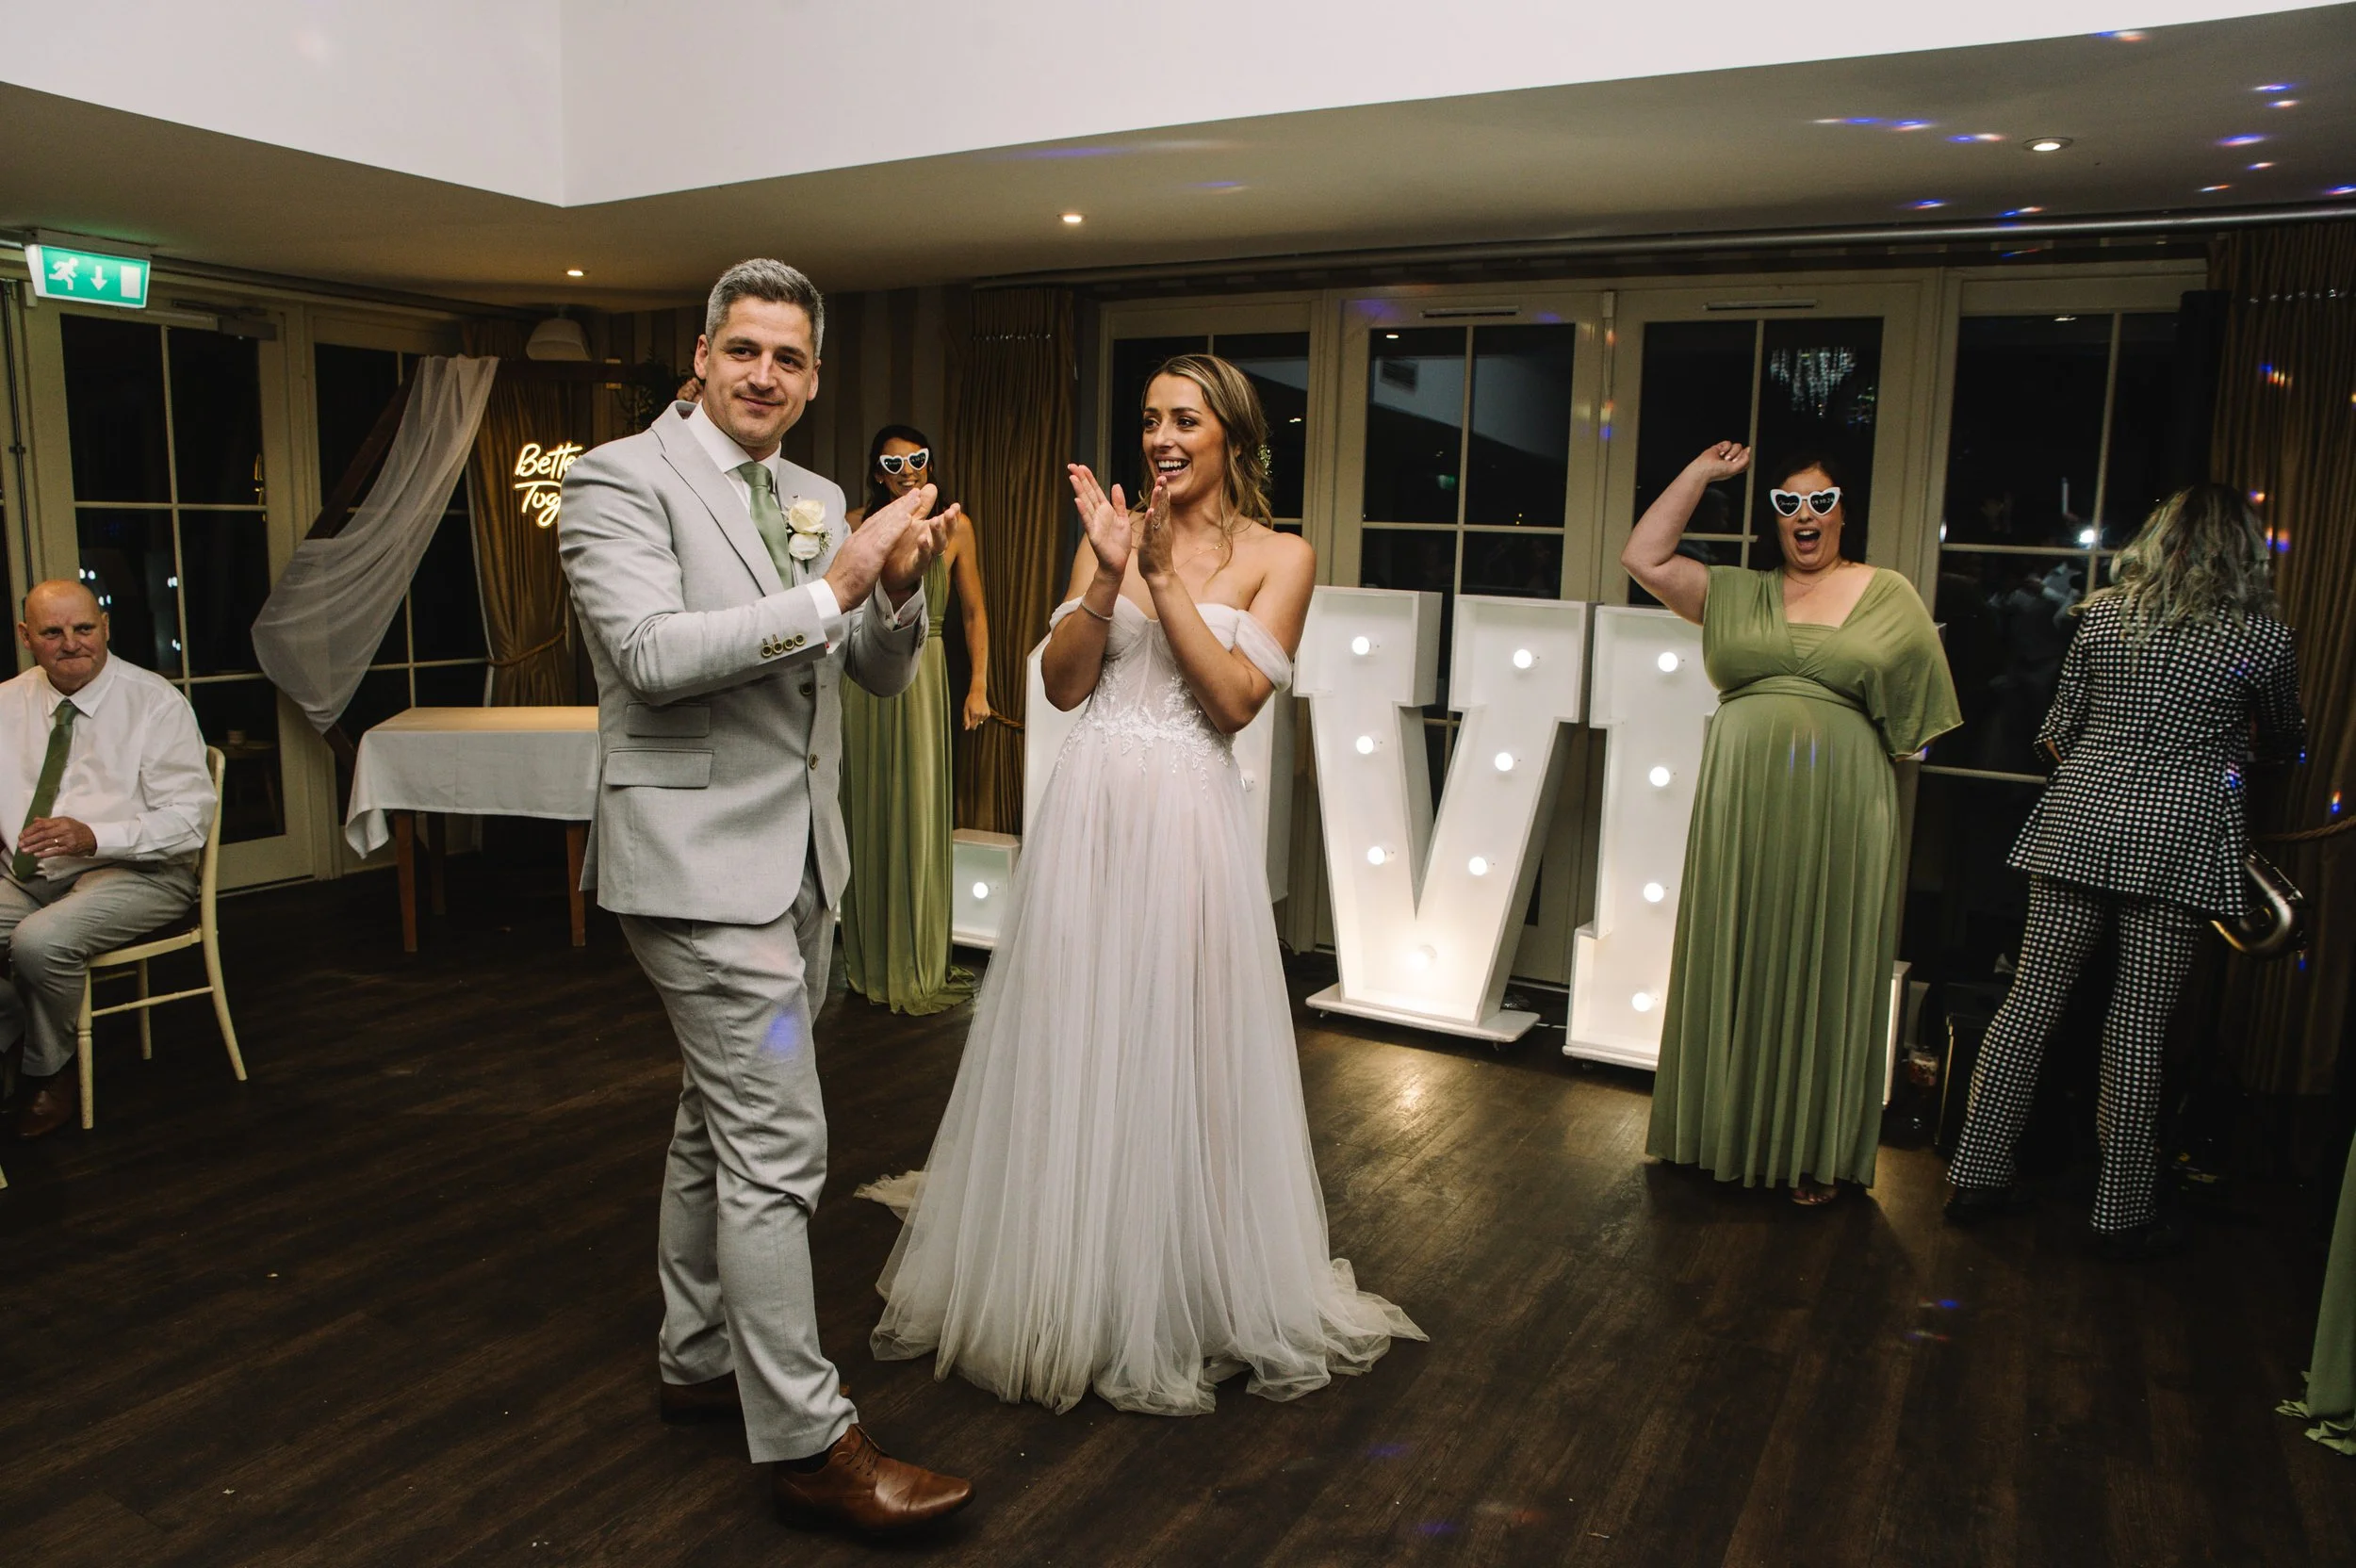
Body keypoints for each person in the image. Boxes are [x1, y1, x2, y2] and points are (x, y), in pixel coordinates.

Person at [864, 354, 1424, 1413]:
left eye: (1186, 420)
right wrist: (1108, 574)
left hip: (1186, 822)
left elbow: (1233, 703)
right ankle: (1061, 1256)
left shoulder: (1282, 557)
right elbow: (1062, 685)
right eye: (1151, 419)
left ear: (1234, 437)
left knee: (1182, 1038)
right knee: (1074, 1025)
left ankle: (1172, 1274)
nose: (1162, 438)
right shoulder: (1106, 535)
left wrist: (1162, 577)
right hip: (1089, 812)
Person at [556, 260, 971, 1536]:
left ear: (814, 376)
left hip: (799, 863)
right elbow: (649, 656)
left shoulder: (819, 497)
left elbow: (876, 675)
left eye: (789, 358)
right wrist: (833, 586)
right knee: (778, 1145)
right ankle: (805, 1440)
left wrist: (894, 590)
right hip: (695, 868)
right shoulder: (618, 479)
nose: (763, 375)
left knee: (717, 1119)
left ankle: (696, 1358)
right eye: (743, 349)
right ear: (701, 355)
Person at [1946, 483, 2304, 1260]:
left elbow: (2055, 734)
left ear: (2159, 538)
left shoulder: (2104, 615)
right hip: (2181, 837)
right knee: (2138, 1026)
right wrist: (2219, 754)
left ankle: (1976, 1176)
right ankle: (2122, 1212)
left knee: (2029, 1004)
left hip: (2079, 821)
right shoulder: (2262, 639)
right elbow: (2285, 743)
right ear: (2243, 551)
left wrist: (2109, 776)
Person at [1626, 445, 1961, 1204]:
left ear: (1843, 512)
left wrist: (1836, 752)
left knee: (1824, 959)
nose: (1804, 515)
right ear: (1774, 519)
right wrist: (1701, 474)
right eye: (1787, 503)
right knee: (1734, 946)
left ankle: (1811, 1154)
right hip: (1741, 803)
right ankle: (1711, 1135)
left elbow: (1918, 730)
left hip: (1842, 806)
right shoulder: (1736, 593)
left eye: (1820, 500)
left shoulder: (1888, 594)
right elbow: (1643, 557)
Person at [2, 580, 216, 1139]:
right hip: (29, 873)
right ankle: (15, 1023)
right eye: (52, 632)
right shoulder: (6, 702)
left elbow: (189, 821)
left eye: (84, 628)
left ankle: (51, 1070)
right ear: (26, 637)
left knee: (38, 942)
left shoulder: (154, 702)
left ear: (106, 628)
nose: (71, 643)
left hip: (142, 871)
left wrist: (94, 836)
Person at [837, 425, 990, 1015]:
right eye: (893, 463)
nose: (908, 471)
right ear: (878, 473)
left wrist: (978, 685)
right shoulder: (854, 525)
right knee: (866, 808)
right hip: (862, 682)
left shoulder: (957, 526)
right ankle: (870, 959)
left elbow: (974, 612)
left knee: (919, 809)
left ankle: (919, 958)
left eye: (917, 459)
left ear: (930, 463)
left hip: (925, 676)